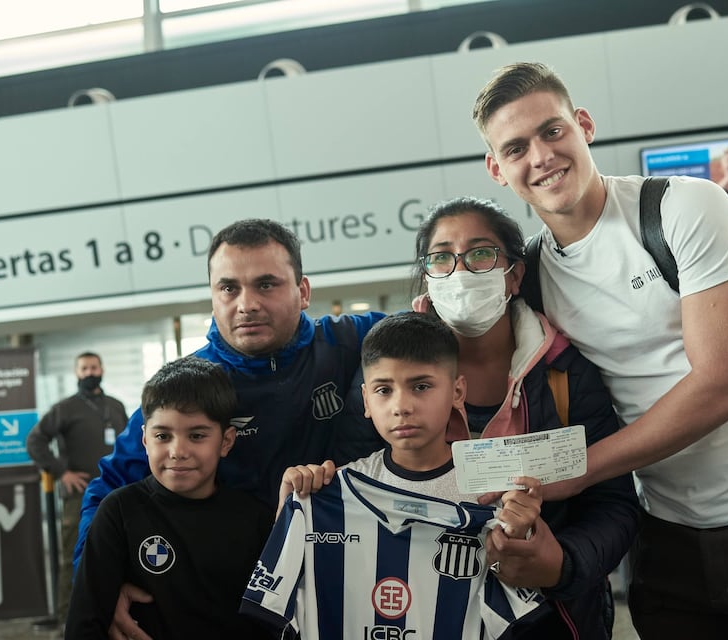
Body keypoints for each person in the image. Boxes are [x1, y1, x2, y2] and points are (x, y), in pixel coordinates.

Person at [471, 61, 728, 638]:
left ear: (583, 125)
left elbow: (723, 386)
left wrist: (575, 472)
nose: (541, 156)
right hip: (663, 537)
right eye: (516, 148)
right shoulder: (530, 277)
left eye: (552, 130)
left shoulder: (683, 207)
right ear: (497, 169)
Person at [77, 218, 384, 640]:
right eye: (229, 288)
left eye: (266, 284)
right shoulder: (189, 386)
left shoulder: (354, 342)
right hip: (224, 599)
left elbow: (434, 336)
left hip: (339, 580)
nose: (247, 303)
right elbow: (109, 488)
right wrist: (100, 588)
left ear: (304, 292)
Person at [411, 196, 638, 637]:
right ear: (427, 276)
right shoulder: (393, 372)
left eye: (481, 253)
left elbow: (614, 504)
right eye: (441, 258)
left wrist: (562, 562)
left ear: (514, 274)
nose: (460, 271)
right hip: (428, 613)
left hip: (551, 618)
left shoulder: (567, 373)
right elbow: (360, 480)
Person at [253, 312, 550, 638]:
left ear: (457, 392)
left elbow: (508, 603)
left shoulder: (492, 495)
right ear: (366, 400)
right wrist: (290, 514)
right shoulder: (327, 491)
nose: (401, 406)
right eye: (384, 390)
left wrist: (516, 541)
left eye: (421, 386)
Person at [66, 356, 271, 639]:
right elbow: (83, 623)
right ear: (145, 440)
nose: (178, 451)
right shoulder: (119, 512)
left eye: (197, 436)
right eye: (163, 436)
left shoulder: (254, 519)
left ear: (226, 441)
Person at [25, 351, 128, 624]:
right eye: (84, 368)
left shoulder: (115, 406)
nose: (89, 372)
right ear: (76, 373)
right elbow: (34, 441)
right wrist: (61, 472)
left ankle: (112, 615)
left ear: (102, 369)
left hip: (117, 492)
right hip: (78, 496)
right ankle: (67, 619)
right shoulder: (65, 408)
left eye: (94, 367)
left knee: (119, 554)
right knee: (73, 555)